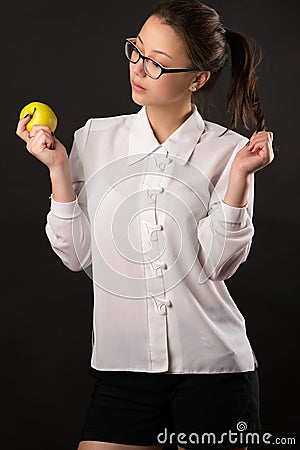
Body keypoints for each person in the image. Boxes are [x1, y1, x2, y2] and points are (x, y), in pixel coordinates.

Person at [16, 1, 275, 449]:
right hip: (122, 372)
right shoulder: (94, 138)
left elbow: (218, 264)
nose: (139, 68)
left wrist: (239, 178)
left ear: (198, 78)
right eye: (137, 51)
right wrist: (58, 170)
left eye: (158, 63)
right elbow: (76, 255)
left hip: (214, 373)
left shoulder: (230, 152)